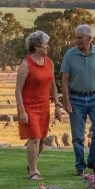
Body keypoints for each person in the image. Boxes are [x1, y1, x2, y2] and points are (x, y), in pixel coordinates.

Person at [60, 24, 95, 175]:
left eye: (79, 38)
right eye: (75, 37)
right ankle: (80, 166)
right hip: (76, 99)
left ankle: (92, 161)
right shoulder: (70, 55)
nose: (75, 41)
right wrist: (66, 100)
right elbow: (64, 79)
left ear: (89, 38)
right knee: (78, 136)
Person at [15, 30, 61, 180]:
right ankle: (33, 171)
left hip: (44, 106)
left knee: (41, 140)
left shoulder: (49, 62)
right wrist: (22, 111)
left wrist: (57, 105)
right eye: (45, 44)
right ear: (36, 46)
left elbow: (53, 85)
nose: (47, 47)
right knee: (34, 137)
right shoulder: (25, 65)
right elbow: (18, 90)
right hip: (29, 106)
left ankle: (31, 163)